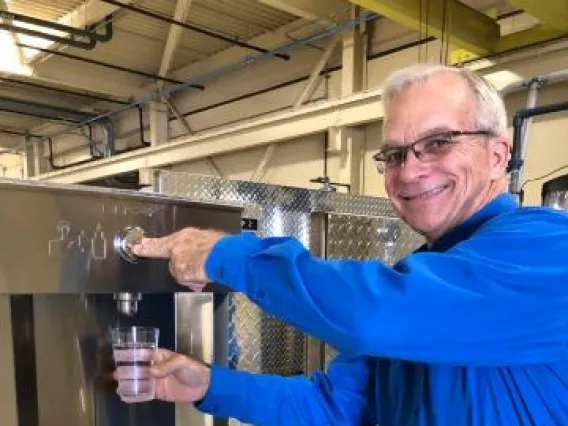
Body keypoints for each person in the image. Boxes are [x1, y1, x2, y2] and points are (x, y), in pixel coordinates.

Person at [118, 63, 568, 425]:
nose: (410, 171)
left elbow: (372, 314)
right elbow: (336, 407)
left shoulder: (548, 248)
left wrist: (224, 253)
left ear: (497, 156)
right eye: (394, 154)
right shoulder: (427, 268)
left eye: (438, 143)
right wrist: (209, 387)